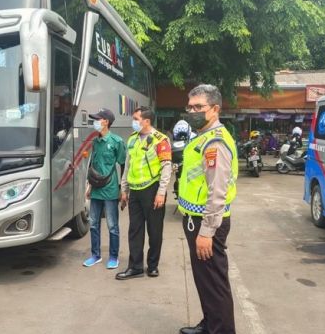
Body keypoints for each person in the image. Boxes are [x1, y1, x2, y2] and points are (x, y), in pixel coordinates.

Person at [178, 84, 239, 334]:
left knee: (214, 284)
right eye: (189, 106)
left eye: (198, 107)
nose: (192, 111)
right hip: (195, 219)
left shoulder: (215, 142)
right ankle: (209, 324)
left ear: (214, 110)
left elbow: (217, 192)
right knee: (204, 282)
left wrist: (207, 232)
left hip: (207, 224)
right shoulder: (202, 136)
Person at [116, 106, 173, 280]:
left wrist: (161, 192)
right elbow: (128, 166)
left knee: (155, 231)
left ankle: (153, 265)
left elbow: (166, 167)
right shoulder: (132, 139)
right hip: (135, 191)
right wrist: (124, 189)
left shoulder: (160, 140)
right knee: (135, 230)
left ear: (146, 121)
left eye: (136, 118)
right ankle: (135, 267)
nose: (133, 121)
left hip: (152, 190)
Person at [83, 108, 126, 270]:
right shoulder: (95, 142)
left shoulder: (117, 142)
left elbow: (123, 165)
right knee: (93, 223)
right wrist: (89, 187)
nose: (95, 122)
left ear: (106, 122)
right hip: (96, 190)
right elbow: (93, 166)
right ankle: (95, 255)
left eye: (97, 119)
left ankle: (114, 257)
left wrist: (123, 190)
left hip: (110, 189)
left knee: (112, 225)